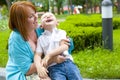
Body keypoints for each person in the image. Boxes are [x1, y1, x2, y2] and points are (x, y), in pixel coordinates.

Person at [5, 1, 74, 80]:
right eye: (31, 16)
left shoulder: (39, 28)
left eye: (35, 13)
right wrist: (52, 59)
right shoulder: (16, 40)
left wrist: (66, 42)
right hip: (22, 74)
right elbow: (27, 70)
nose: (36, 17)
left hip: (45, 66)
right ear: (20, 22)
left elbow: (64, 44)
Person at [34, 12, 82, 80]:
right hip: (53, 67)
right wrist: (39, 66)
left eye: (50, 16)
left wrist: (49, 55)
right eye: (44, 17)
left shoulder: (61, 32)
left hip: (68, 63)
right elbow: (37, 55)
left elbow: (65, 46)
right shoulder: (41, 39)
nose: (47, 17)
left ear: (57, 23)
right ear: (41, 26)